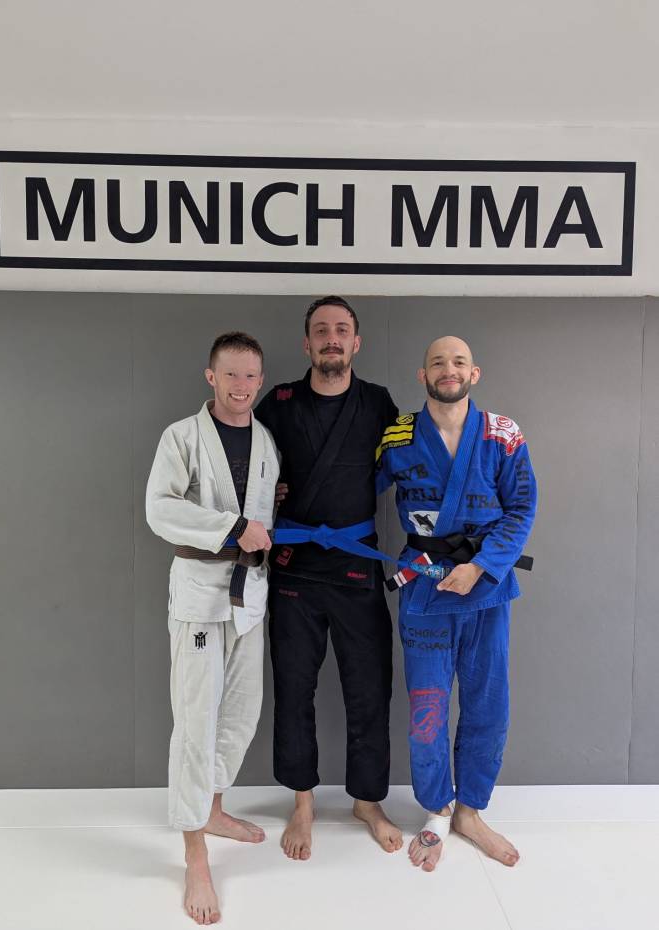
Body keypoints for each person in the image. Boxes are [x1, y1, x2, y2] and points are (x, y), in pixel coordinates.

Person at [376, 335, 536, 872]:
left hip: (486, 587)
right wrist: (292, 501)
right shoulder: (398, 436)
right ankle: (437, 808)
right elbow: (350, 487)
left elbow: (521, 507)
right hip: (425, 585)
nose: (450, 369)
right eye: (438, 362)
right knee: (427, 708)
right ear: (422, 375)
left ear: (475, 373)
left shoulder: (503, 434)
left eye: (459, 361)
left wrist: (482, 567)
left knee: (488, 703)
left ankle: (470, 811)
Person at [254, 296, 403, 861]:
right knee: (295, 689)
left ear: (356, 342)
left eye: (341, 330)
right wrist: (266, 494)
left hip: (357, 563)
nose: (332, 339)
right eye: (321, 331)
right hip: (294, 568)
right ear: (307, 343)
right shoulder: (279, 403)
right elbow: (248, 462)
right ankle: (303, 801)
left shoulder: (379, 403)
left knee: (369, 688)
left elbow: (408, 467)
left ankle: (367, 801)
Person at [146, 332, 280, 924]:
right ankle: (194, 851)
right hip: (201, 594)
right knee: (196, 720)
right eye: (231, 374)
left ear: (259, 379)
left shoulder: (266, 440)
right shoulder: (181, 436)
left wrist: (262, 528)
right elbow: (160, 508)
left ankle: (215, 808)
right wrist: (233, 527)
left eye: (250, 375)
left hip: (250, 594)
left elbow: (265, 515)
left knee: (241, 713)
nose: (241, 386)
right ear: (211, 376)